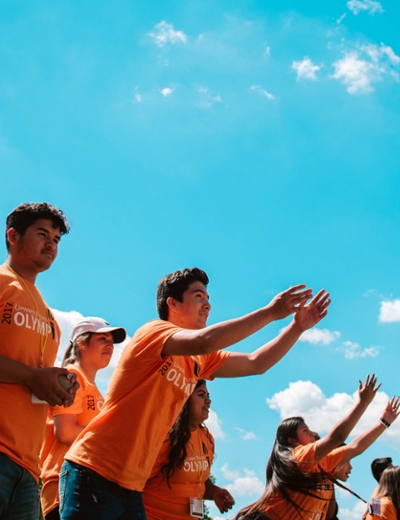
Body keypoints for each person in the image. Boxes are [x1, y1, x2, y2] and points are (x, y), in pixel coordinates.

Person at [60, 267, 331, 519]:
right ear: (173, 304)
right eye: (198, 296)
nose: (208, 305)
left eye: (208, 298)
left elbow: (256, 363)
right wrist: (270, 312)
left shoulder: (199, 358)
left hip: (131, 485)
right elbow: (206, 339)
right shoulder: (154, 332)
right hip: (93, 470)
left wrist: (296, 327)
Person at [236, 375, 400, 520]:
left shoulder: (321, 467)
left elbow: (355, 447)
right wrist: (362, 403)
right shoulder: (299, 456)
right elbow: (338, 437)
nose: (313, 433)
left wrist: (384, 422)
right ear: (292, 441)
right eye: (305, 431)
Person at [0, 202, 75, 520]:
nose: (51, 244)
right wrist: (33, 376)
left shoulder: (50, 317)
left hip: (29, 469)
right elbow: (32, 376)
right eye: (43, 234)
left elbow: (37, 380)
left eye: (56, 239)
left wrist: (59, 389)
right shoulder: (3, 283)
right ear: (13, 236)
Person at [39, 317, 125, 520]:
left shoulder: (96, 390)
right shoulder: (71, 375)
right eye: (103, 338)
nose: (110, 345)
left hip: (87, 486)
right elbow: (66, 432)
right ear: (81, 342)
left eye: (111, 341)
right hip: (66, 484)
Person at [143, 380, 234, 519]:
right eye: (201, 394)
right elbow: (134, 484)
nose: (208, 400)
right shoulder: (164, 438)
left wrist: (214, 492)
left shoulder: (207, 438)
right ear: (183, 398)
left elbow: (196, 480)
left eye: (208, 396)